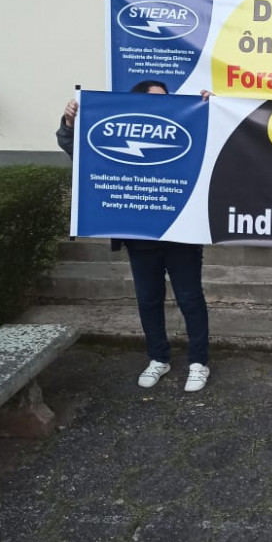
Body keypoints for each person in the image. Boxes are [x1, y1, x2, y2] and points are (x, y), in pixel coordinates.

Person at [57, 80, 211, 393]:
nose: (165, 104)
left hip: (180, 234)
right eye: (156, 99)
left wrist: (213, 109)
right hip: (139, 239)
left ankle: (199, 362)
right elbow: (81, 152)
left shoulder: (183, 129)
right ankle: (158, 358)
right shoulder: (119, 132)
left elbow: (214, 143)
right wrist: (70, 123)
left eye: (167, 100)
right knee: (148, 301)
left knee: (190, 299)